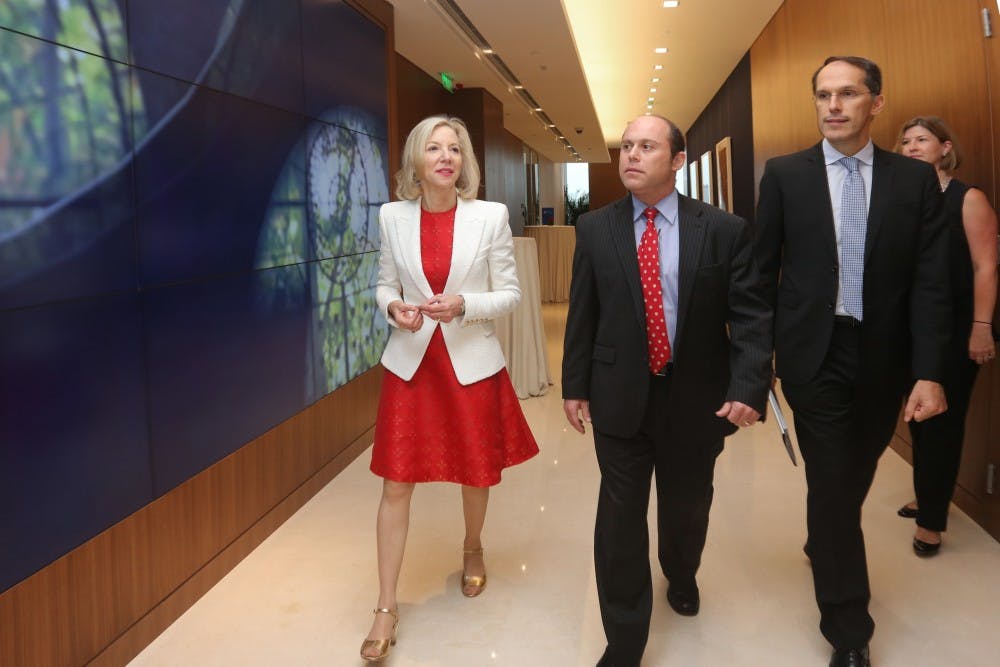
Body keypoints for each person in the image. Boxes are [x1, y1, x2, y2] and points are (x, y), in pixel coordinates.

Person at [754, 56, 951, 667]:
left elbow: (931, 281)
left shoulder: (913, 181)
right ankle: (849, 629)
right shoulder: (785, 175)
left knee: (855, 468)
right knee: (835, 484)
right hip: (815, 352)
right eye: (823, 95)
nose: (833, 106)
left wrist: (930, 369)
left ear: (876, 104)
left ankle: (823, 532)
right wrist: (754, 356)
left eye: (848, 94)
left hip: (885, 356)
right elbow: (759, 273)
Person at [562, 114, 772, 667]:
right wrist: (574, 385)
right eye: (626, 146)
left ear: (677, 161)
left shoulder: (723, 230)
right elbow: (583, 313)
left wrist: (749, 383)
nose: (631, 155)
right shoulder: (596, 229)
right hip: (619, 395)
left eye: (647, 146)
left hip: (697, 398)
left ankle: (681, 573)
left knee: (686, 506)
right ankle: (625, 637)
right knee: (619, 518)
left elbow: (750, 316)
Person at [360, 115, 539, 662]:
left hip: (468, 360)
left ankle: (472, 547)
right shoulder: (393, 216)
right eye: (434, 148)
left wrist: (464, 304)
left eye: (455, 149)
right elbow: (386, 281)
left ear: (464, 162)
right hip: (411, 364)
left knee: (473, 470)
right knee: (395, 484)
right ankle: (386, 606)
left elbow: (509, 293)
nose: (446, 157)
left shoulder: (491, 216)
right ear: (417, 159)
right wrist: (392, 306)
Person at [894, 116, 998, 556]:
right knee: (918, 418)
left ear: (945, 148)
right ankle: (930, 491)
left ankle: (932, 521)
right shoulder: (903, 199)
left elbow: (987, 266)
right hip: (909, 327)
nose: (912, 147)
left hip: (958, 328)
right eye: (905, 142)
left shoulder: (967, 197)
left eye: (922, 140)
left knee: (943, 419)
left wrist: (981, 327)